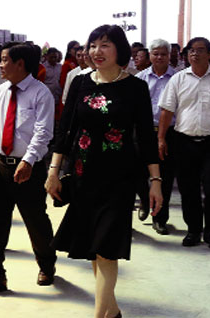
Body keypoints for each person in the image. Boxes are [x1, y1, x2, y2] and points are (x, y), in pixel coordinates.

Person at [45, 25, 162, 318]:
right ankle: (112, 312)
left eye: (105, 45)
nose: (97, 51)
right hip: (83, 177)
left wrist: (155, 180)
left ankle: (100, 315)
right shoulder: (80, 83)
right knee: (95, 249)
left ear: (119, 49)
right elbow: (66, 131)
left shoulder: (135, 88)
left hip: (119, 179)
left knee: (107, 250)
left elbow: (146, 138)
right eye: (93, 45)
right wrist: (53, 171)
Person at [158, 37, 210, 253]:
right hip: (184, 141)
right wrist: (161, 138)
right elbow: (167, 111)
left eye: (200, 50)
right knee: (188, 188)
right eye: (191, 50)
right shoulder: (178, 79)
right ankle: (193, 229)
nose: (195, 54)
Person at [0, 42, 56, 293]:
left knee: (35, 221)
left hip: (28, 168)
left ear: (20, 64)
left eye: (4, 60)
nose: (0, 65)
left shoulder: (40, 94)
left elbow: (43, 132)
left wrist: (28, 160)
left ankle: (46, 265)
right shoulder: (0, 91)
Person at [136, 39, 177, 235]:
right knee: (139, 173)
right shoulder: (140, 78)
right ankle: (146, 201)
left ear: (169, 56)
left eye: (163, 54)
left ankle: (160, 218)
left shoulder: (177, 78)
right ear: (149, 56)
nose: (159, 57)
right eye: (156, 53)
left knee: (165, 177)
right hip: (143, 132)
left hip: (169, 132)